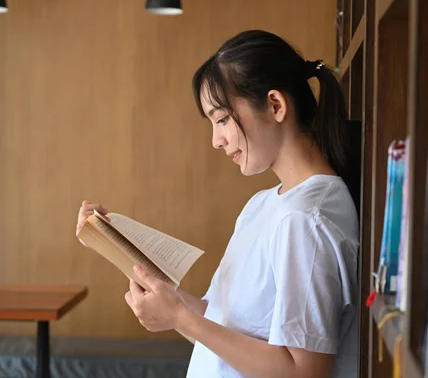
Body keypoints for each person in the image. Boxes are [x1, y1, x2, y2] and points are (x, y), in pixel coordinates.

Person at [76, 30, 359, 378]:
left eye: (222, 119)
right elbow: (224, 323)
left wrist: (180, 317)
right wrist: (151, 284)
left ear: (275, 105)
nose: (216, 140)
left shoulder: (304, 219)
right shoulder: (264, 205)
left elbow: (303, 372)